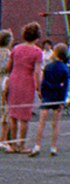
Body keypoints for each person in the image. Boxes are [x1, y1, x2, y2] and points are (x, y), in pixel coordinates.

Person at [3, 23, 43, 153]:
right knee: (24, 116)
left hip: (14, 80)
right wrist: (39, 87)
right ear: (37, 36)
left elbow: (8, 67)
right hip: (27, 82)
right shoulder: (37, 52)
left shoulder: (16, 49)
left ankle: (13, 145)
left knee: (13, 114)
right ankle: (22, 145)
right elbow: (37, 72)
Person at [30, 43, 69, 157]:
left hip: (47, 96)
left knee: (41, 123)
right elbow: (65, 86)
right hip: (57, 96)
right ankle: (53, 147)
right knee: (55, 124)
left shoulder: (47, 67)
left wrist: (42, 94)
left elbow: (43, 82)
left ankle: (37, 145)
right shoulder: (64, 68)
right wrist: (62, 100)